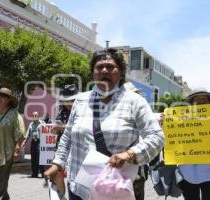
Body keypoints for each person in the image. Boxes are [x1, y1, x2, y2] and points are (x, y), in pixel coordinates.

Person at [44, 48, 164, 200]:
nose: (104, 70)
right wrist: (57, 164)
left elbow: (156, 137)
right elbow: (68, 137)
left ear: (121, 73)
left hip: (114, 189)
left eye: (110, 66)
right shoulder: (81, 101)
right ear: (93, 73)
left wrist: (129, 155)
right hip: (78, 188)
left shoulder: (135, 102)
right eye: (99, 67)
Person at [178, 90, 210, 200]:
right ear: (191, 103)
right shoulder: (180, 120)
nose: (201, 102)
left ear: (209, 103)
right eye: (197, 99)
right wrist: (165, 122)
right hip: (186, 172)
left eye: (204, 99)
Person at [22, 111, 45, 178]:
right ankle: (34, 173)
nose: (34, 117)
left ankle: (42, 172)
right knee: (33, 158)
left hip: (40, 142)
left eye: (36, 115)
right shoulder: (31, 124)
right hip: (33, 142)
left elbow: (47, 131)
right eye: (33, 116)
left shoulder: (42, 123)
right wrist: (24, 142)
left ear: (38, 116)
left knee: (39, 158)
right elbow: (28, 134)